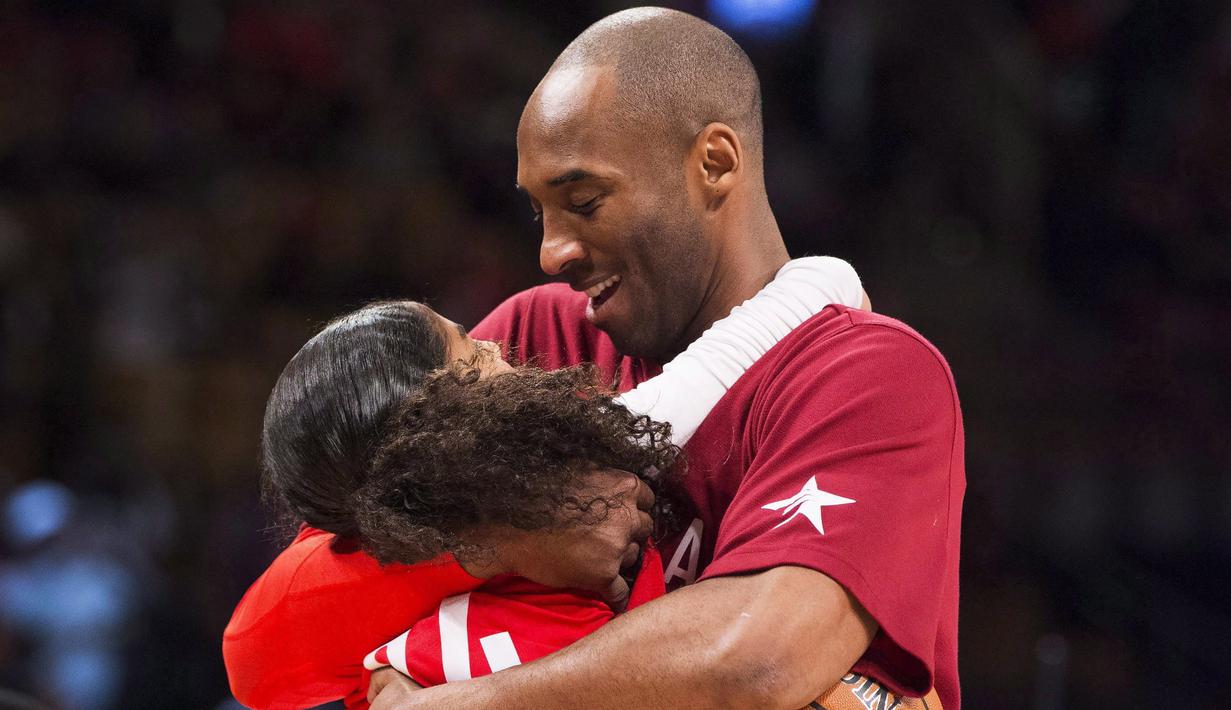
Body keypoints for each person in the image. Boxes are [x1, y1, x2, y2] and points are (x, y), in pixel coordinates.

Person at [369, 8, 963, 710]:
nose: (550, 251)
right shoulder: (527, 345)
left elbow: (753, 662)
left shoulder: (868, 375)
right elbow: (321, 580)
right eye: (539, 213)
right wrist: (517, 540)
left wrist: (465, 702)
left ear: (714, 163)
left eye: (584, 202)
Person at [224, 258, 866, 708]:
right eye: (470, 350)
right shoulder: (595, 468)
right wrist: (518, 527)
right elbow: (827, 282)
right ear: (440, 433)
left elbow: (251, 658)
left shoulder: (394, 631)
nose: (502, 350)